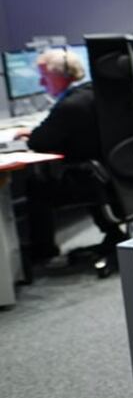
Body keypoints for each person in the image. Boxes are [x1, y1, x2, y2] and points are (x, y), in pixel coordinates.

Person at [13, 49, 125, 262]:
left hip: (94, 180)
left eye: (44, 77)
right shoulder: (94, 93)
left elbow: (39, 142)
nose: (41, 83)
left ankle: (42, 251)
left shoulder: (69, 106)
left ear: (60, 76)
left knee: (36, 186)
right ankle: (112, 232)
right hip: (117, 174)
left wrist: (34, 133)